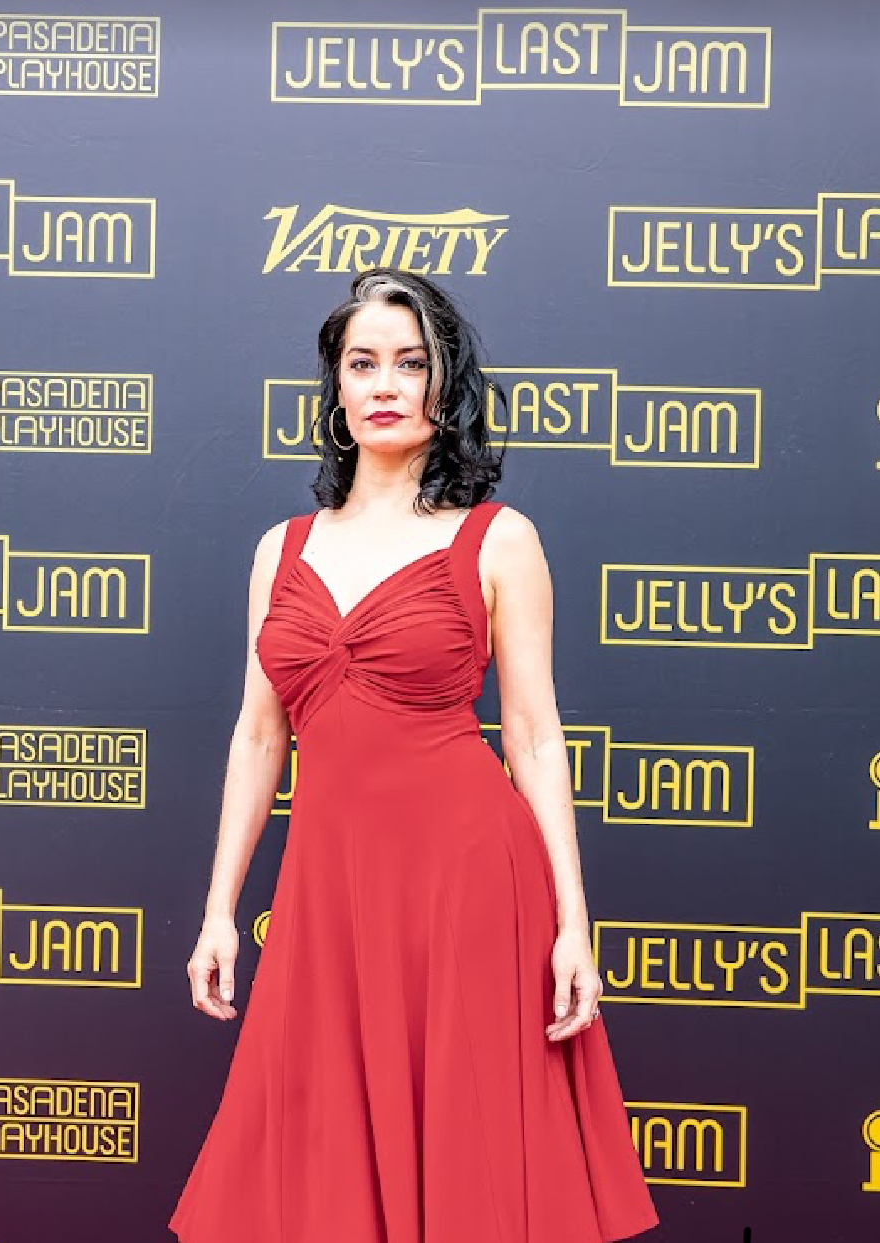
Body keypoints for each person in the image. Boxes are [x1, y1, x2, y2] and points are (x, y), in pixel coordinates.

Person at [169, 268, 659, 1242]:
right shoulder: (282, 550)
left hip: (468, 886)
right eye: (363, 363)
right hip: (327, 894)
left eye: (410, 362)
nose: (385, 383)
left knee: (468, 1164)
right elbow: (260, 734)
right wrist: (220, 913)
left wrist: (573, 925)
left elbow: (531, 733)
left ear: (446, 388)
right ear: (336, 391)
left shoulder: (498, 540)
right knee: (320, 1175)